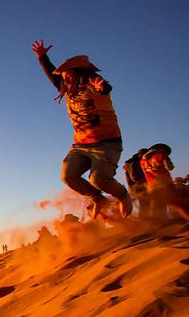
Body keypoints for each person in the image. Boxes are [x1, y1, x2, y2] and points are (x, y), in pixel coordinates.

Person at [31, 40, 132, 219]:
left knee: (98, 179)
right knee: (68, 176)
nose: (65, 77)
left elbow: (104, 87)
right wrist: (42, 57)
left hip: (106, 144)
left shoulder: (92, 83)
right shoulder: (67, 89)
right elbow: (53, 76)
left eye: (69, 74)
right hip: (80, 146)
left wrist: (102, 87)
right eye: (64, 75)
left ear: (80, 74)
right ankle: (97, 198)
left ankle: (123, 195)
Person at [140, 143, 189, 220]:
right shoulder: (161, 155)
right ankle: (180, 220)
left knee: (157, 209)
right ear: (163, 149)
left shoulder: (142, 160)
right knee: (180, 203)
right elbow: (170, 167)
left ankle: (156, 226)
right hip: (165, 185)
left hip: (151, 187)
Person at [124, 148, 151, 218]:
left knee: (143, 206)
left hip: (133, 188)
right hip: (139, 187)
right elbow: (134, 176)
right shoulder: (136, 162)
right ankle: (145, 223)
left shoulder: (129, 163)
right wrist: (144, 182)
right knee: (145, 206)